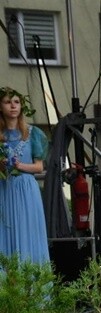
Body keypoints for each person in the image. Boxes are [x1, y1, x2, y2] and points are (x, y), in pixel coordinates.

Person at [0, 87, 48, 265]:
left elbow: (39, 167)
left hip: (27, 189)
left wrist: (20, 165)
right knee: (5, 231)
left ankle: (32, 286)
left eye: (17, 102)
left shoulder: (33, 133)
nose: (13, 106)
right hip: (4, 187)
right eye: (7, 102)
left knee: (28, 232)